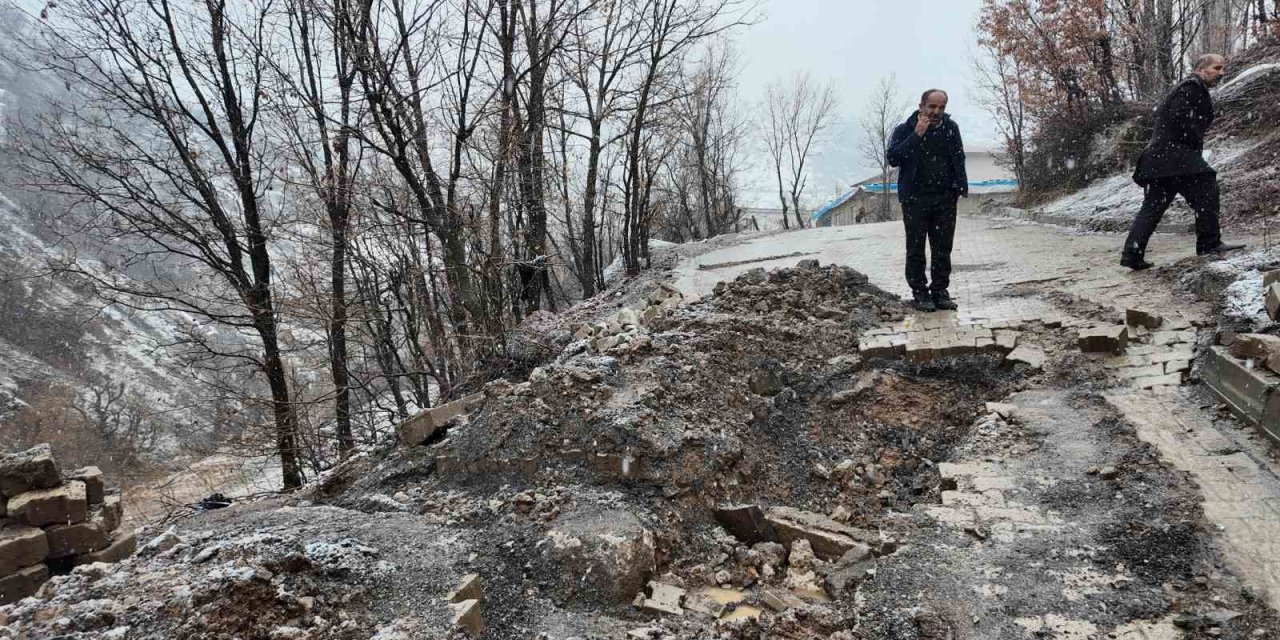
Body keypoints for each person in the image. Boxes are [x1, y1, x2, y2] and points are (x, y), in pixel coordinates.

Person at [1121, 53, 1244, 270]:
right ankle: (1209, 243)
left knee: (1153, 207)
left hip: (1160, 157)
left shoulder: (1188, 87)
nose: (1221, 73)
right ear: (1201, 68)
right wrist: (1191, 144)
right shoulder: (1191, 87)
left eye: (1223, 69)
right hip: (1174, 154)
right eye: (1217, 68)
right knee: (1207, 187)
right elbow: (1180, 117)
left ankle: (1132, 254)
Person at [887, 89, 968, 312]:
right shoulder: (904, 129)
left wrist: (960, 187)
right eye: (932, 107)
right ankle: (920, 292)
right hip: (915, 199)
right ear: (921, 105)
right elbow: (893, 158)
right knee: (915, 248)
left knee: (943, 248)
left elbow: (959, 157)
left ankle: (940, 291)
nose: (936, 112)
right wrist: (917, 135)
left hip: (944, 198)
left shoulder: (951, 129)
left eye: (941, 107)